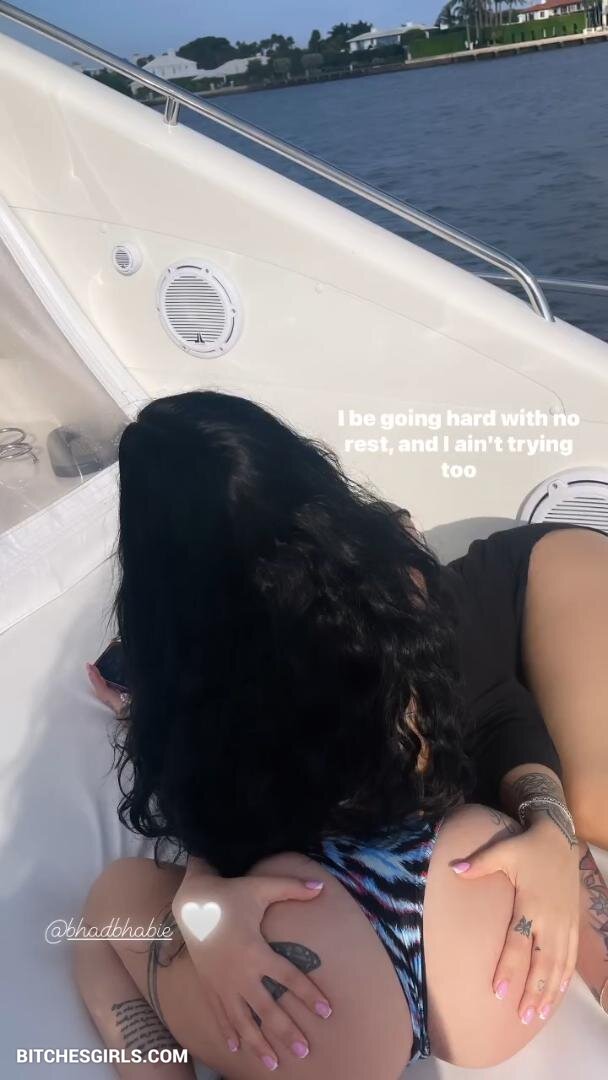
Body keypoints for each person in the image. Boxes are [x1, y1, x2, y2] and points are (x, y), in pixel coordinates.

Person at [78, 391, 608, 1077]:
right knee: (539, 853)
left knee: (103, 915)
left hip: (320, 1005)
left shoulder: (190, 693)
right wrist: (549, 832)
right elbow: (493, 707)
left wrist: (198, 903)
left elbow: (216, 839)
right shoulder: (398, 590)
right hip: (487, 952)